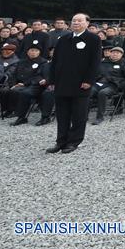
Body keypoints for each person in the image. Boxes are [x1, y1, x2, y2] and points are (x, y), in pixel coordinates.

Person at [45, 13, 102, 154]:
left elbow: (94, 63)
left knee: (78, 115)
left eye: (79, 20)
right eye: (74, 20)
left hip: (81, 84)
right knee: (62, 114)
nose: (76, 23)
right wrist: (51, 80)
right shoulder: (64, 39)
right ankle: (61, 141)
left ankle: (74, 141)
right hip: (62, 82)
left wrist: (89, 80)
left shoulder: (93, 39)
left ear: (87, 23)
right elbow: (55, 62)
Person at [2, 45, 52, 126]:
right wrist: (14, 84)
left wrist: (26, 83)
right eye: (31, 50)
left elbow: (39, 74)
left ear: (39, 52)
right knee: (24, 93)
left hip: (38, 85)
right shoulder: (22, 61)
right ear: (27, 52)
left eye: (36, 51)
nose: (33, 52)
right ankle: (21, 117)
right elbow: (14, 74)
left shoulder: (43, 62)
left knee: (46, 94)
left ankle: (45, 117)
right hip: (34, 84)